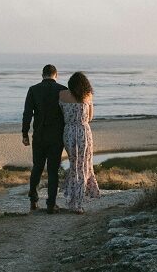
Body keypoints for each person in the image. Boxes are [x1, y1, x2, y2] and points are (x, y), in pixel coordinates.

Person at [22, 64, 67, 213]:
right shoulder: (63, 90)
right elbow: (67, 114)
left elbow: (27, 113)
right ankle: (51, 204)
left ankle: (33, 202)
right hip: (56, 136)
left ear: (42, 75)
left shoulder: (33, 89)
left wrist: (24, 134)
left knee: (37, 168)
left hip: (39, 135)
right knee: (53, 170)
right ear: (56, 74)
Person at [59, 71, 100, 213]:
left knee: (74, 164)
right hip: (83, 132)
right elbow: (90, 118)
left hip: (69, 132)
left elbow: (60, 113)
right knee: (84, 165)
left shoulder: (62, 95)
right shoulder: (88, 96)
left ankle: (72, 199)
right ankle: (78, 202)